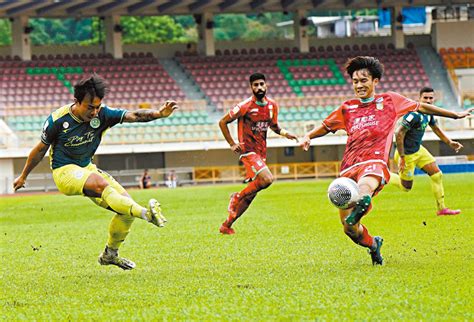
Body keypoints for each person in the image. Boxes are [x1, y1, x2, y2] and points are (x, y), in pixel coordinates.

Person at [299, 56, 472, 265]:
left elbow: (422, 107)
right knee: (349, 229)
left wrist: (454, 114)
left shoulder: (390, 100)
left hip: (374, 162)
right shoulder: (347, 108)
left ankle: (363, 200)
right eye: (355, 81)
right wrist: (309, 136)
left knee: (365, 188)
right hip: (349, 166)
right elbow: (327, 127)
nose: (359, 85)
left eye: (364, 80)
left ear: (375, 81)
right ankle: (373, 245)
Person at [13, 74, 178, 270]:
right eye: (90, 107)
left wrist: (159, 114)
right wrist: (23, 176)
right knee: (104, 187)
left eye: (98, 107)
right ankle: (146, 214)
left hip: (87, 167)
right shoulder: (58, 120)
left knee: (126, 210)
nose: (94, 112)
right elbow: (40, 149)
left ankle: (110, 254)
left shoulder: (103, 115)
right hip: (64, 171)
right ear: (77, 101)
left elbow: (134, 116)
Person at [218, 72, 298, 234]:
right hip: (248, 151)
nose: (259, 87)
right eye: (256, 85)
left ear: (266, 85)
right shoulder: (244, 106)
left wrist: (285, 133)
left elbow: (274, 126)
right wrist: (232, 143)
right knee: (267, 179)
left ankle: (226, 225)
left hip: (261, 154)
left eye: (262, 84)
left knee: (251, 196)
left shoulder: (272, 106)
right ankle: (236, 197)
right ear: (251, 87)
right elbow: (223, 121)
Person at [389, 87, 463, 216]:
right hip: (406, 155)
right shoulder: (414, 114)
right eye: (425, 98)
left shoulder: (429, 114)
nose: (428, 101)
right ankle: (384, 175)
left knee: (436, 175)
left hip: (419, 150)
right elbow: (399, 133)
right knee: (405, 188)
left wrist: (449, 142)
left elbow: (436, 128)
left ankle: (442, 209)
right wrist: (402, 156)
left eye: (430, 98)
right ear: (419, 98)